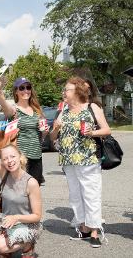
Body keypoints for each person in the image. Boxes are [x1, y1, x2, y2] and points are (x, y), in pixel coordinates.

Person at [50, 76, 111, 248]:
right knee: (75, 195)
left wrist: (92, 133)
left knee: (91, 194)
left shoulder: (92, 107)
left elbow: (107, 130)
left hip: (89, 158)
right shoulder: (64, 111)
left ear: (77, 91)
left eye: (67, 90)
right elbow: (53, 137)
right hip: (68, 160)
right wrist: (55, 129)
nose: (64, 93)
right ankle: (83, 228)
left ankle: (94, 231)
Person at [0, 137, 42, 258]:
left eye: (12, 156)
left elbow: (37, 216)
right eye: (5, 159)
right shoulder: (4, 174)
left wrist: (16, 218)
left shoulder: (31, 182)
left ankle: (28, 246)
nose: (9, 161)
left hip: (27, 224)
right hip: (8, 221)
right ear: (3, 162)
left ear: (20, 157)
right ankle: (7, 247)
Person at [0, 76, 48, 186]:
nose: (26, 90)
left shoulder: (37, 110)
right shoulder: (14, 110)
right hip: (20, 158)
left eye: (28, 87)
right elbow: (3, 104)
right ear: (16, 92)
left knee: (34, 190)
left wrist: (44, 131)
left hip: (36, 157)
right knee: (19, 192)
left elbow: (42, 135)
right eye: (21, 88)